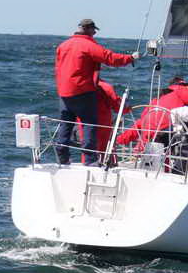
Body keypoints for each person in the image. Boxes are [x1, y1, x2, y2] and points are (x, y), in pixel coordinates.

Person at [54, 18, 139, 165]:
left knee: (66, 124)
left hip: (64, 92)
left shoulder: (63, 45)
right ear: (88, 29)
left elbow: (58, 68)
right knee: (89, 124)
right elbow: (109, 58)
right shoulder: (88, 46)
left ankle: (62, 156)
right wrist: (130, 58)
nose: (94, 33)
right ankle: (90, 160)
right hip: (82, 92)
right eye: (93, 30)